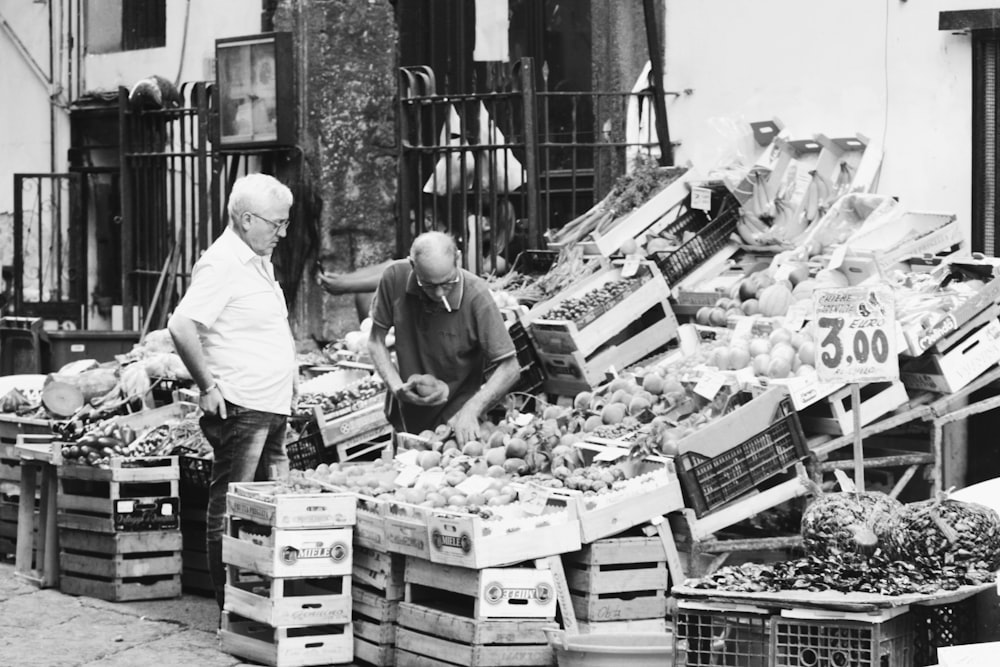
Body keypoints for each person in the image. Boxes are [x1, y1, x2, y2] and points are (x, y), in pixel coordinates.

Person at [167, 173, 297, 610]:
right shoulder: (223, 263)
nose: (283, 232)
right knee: (231, 506)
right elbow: (181, 325)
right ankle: (231, 606)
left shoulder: (257, 258)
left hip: (270, 404)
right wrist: (207, 385)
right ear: (245, 219)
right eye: (277, 223)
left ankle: (257, 601)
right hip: (243, 406)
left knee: (264, 509)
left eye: (285, 223)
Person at [367, 231, 520, 445]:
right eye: (429, 285)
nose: (439, 293)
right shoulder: (394, 278)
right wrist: (396, 386)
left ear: (457, 258)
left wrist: (471, 410)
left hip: (455, 424)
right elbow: (375, 341)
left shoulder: (476, 296)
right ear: (413, 265)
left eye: (447, 283)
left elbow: (510, 368)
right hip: (405, 418)